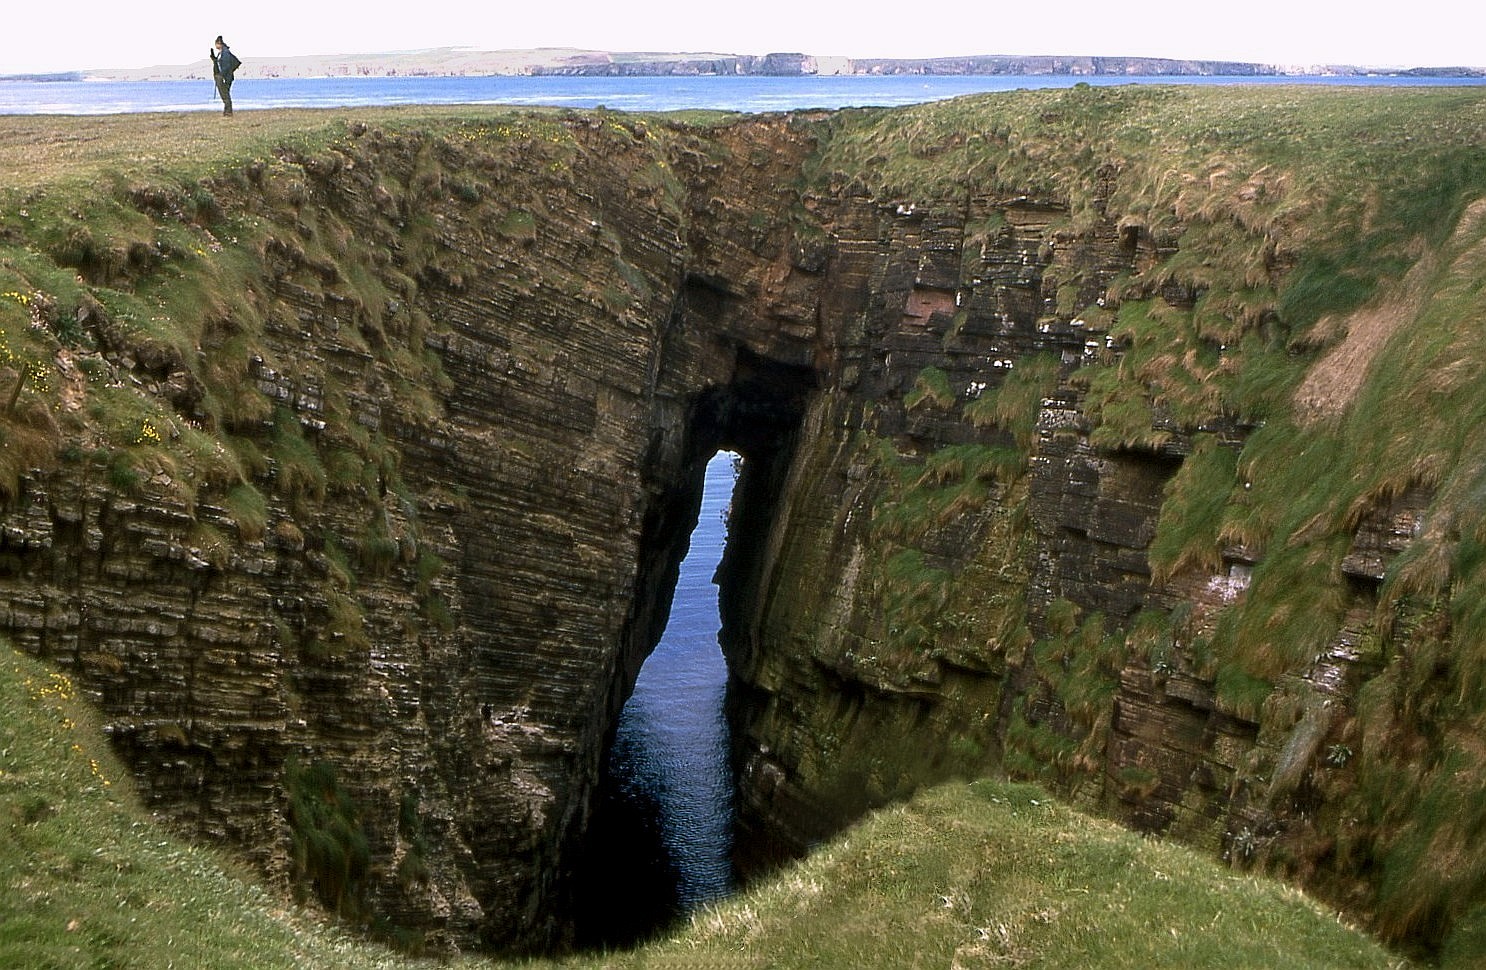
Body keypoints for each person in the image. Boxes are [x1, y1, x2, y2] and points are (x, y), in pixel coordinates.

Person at [210, 36, 240, 116]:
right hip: (224, 77)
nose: (215, 46)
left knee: (225, 95)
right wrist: (214, 59)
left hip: (225, 77)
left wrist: (221, 75)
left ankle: (228, 112)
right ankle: (227, 111)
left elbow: (226, 66)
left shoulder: (225, 52)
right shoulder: (222, 52)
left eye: (216, 44)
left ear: (219, 44)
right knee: (225, 94)